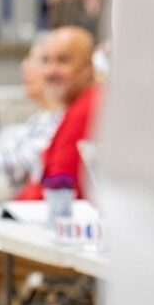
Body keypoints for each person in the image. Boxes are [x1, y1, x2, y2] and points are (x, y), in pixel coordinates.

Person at [15, 26, 101, 200]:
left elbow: (59, 187)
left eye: (63, 60)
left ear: (88, 66)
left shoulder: (87, 108)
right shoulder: (73, 107)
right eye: (45, 61)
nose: (50, 71)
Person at [0, 32, 64, 202]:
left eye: (39, 60)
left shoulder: (60, 121)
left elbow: (21, 163)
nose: (25, 66)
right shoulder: (36, 121)